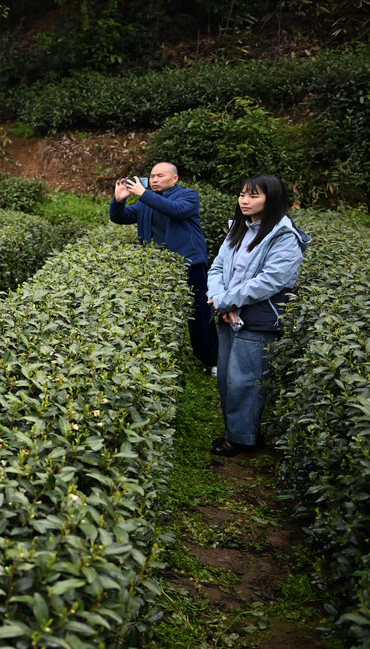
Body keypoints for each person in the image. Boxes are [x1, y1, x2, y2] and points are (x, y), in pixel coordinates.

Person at [206, 174, 309, 457]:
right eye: (242, 194)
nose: (244, 201)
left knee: (245, 382)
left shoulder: (283, 235)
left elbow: (272, 280)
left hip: (258, 318)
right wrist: (218, 299)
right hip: (228, 314)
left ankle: (242, 439)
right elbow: (216, 268)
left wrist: (224, 300)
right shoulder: (238, 229)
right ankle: (238, 431)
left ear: (271, 199)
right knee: (228, 377)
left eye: (253, 195)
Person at [110, 161, 218, 370]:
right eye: (151, 177)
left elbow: (175, 210)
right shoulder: (146, 201)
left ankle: (213, 360)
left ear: (174, 178)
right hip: (158, 267)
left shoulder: (188, 195)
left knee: (200, 314)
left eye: (160, 176)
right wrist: (118, 200)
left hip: (189, 263)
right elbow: (120, 218)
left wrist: (143, 194)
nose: (154, 180)